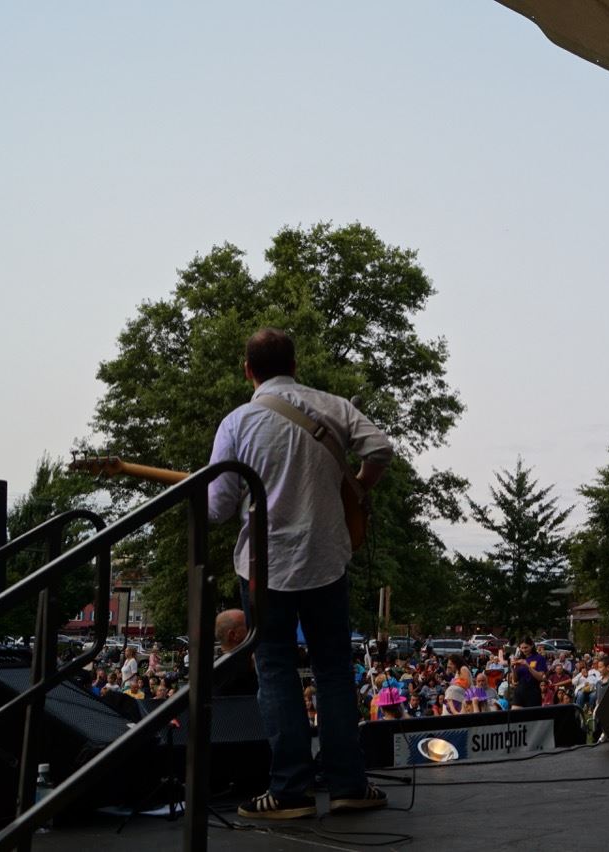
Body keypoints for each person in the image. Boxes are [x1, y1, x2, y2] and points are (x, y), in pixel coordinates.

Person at [208, 327, 392, 820]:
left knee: (275, 671)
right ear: (294, 364)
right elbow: (380, 450)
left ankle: (290, 792)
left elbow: (219, 507)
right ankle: (349, 784)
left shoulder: (238, 423)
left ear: (248, 370)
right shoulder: (332, 406)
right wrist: (355, 488)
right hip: (327, 560)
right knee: (333, 670)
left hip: (265, 568)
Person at [509, 638, 547, 710]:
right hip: (520, 691)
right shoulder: (519, 659)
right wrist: (513, 668)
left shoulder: (539, 658)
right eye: (522, 648)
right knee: (515, 717)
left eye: (526, 647)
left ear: (532, 646)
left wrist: (527, 666)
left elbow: (540, 677)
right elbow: (515, 680)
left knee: (530, 718)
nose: (524, 650)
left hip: (533, 691)